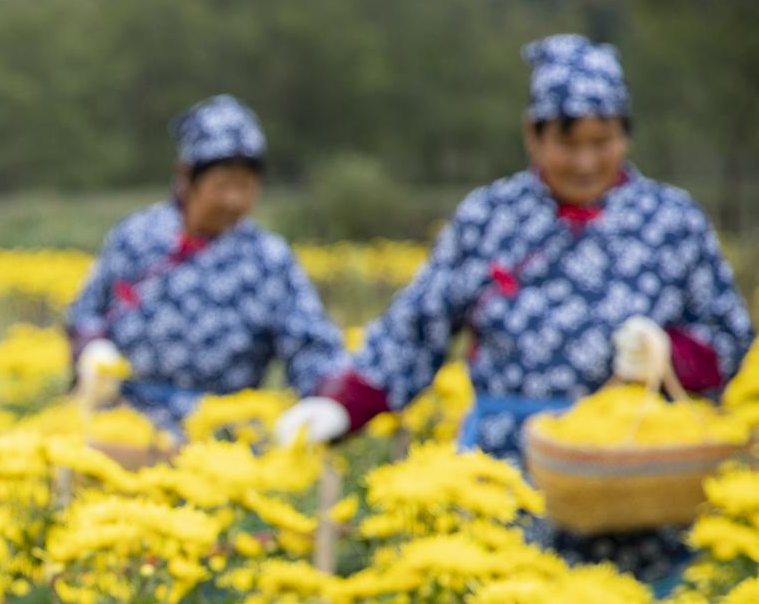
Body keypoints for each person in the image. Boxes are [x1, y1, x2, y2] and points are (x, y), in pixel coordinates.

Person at [277, 35, 752, 572]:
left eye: (604, 142)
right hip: (505, 476)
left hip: (632, 483)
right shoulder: (491, 218)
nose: (585, 161)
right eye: (567, 144)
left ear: (625, 135)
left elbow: (730, 333)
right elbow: (416, 327)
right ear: (533, 134)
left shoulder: (671, 221)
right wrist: (346, 402)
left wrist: (672, 354)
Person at [64, 95, 347, 428]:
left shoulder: (268, 259)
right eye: (222, 185)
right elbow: (86, 311)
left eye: (246, 186)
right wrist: (92, 348)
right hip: (123, 416)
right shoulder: (136, 237)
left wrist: (328, 399)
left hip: (220, 430)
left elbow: (311, 345)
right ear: (186, 176)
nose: (234, 200)